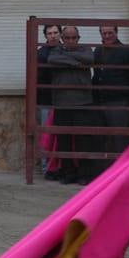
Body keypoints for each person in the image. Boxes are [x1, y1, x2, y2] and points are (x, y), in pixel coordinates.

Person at [45, 25, 99, 184]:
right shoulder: (56, 51)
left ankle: (84, 175)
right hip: (62, 103)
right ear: (62, 39)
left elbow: (90, 59)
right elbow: (52, 59)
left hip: (83, 102)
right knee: (64, 141)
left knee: (84, 140)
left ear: (78, 38)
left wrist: (68, 59)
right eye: (67, 38)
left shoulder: (86, 49)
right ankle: (68, 173)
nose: (70, 41)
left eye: (73, 38)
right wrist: (75, 63)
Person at [93, 26, 129, 158]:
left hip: (119, 103)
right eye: (104, 33)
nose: (107, 36)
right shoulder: (98, 51)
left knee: (120, 139)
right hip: (101, 102)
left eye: (110, 33)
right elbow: (96, 76)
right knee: (103, 139)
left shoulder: (127, 52)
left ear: (116, 32)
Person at [36, 24, 62, 178]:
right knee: (46, 135)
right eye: (49, 33)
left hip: (63, 100)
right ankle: (47, 168)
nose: (53, 36)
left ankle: (58, 167)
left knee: (61, 136)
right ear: (45, 35)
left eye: (55, 32)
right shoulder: (41, 54)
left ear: (60, 34)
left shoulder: (65, 50)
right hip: (46, 100)